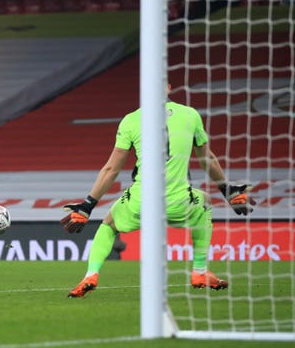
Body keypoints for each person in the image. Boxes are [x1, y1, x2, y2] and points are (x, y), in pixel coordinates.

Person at [60, 84, 256, 298]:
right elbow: (206, 159)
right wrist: (228, 190)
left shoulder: (131, 120)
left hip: (141, 200)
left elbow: (111, 169)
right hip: (179, 201)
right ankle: (199, 271)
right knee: (206, 202)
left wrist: (88, 205)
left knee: (108, 224)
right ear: (168, 88)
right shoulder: (190, 115)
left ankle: (91, 275)